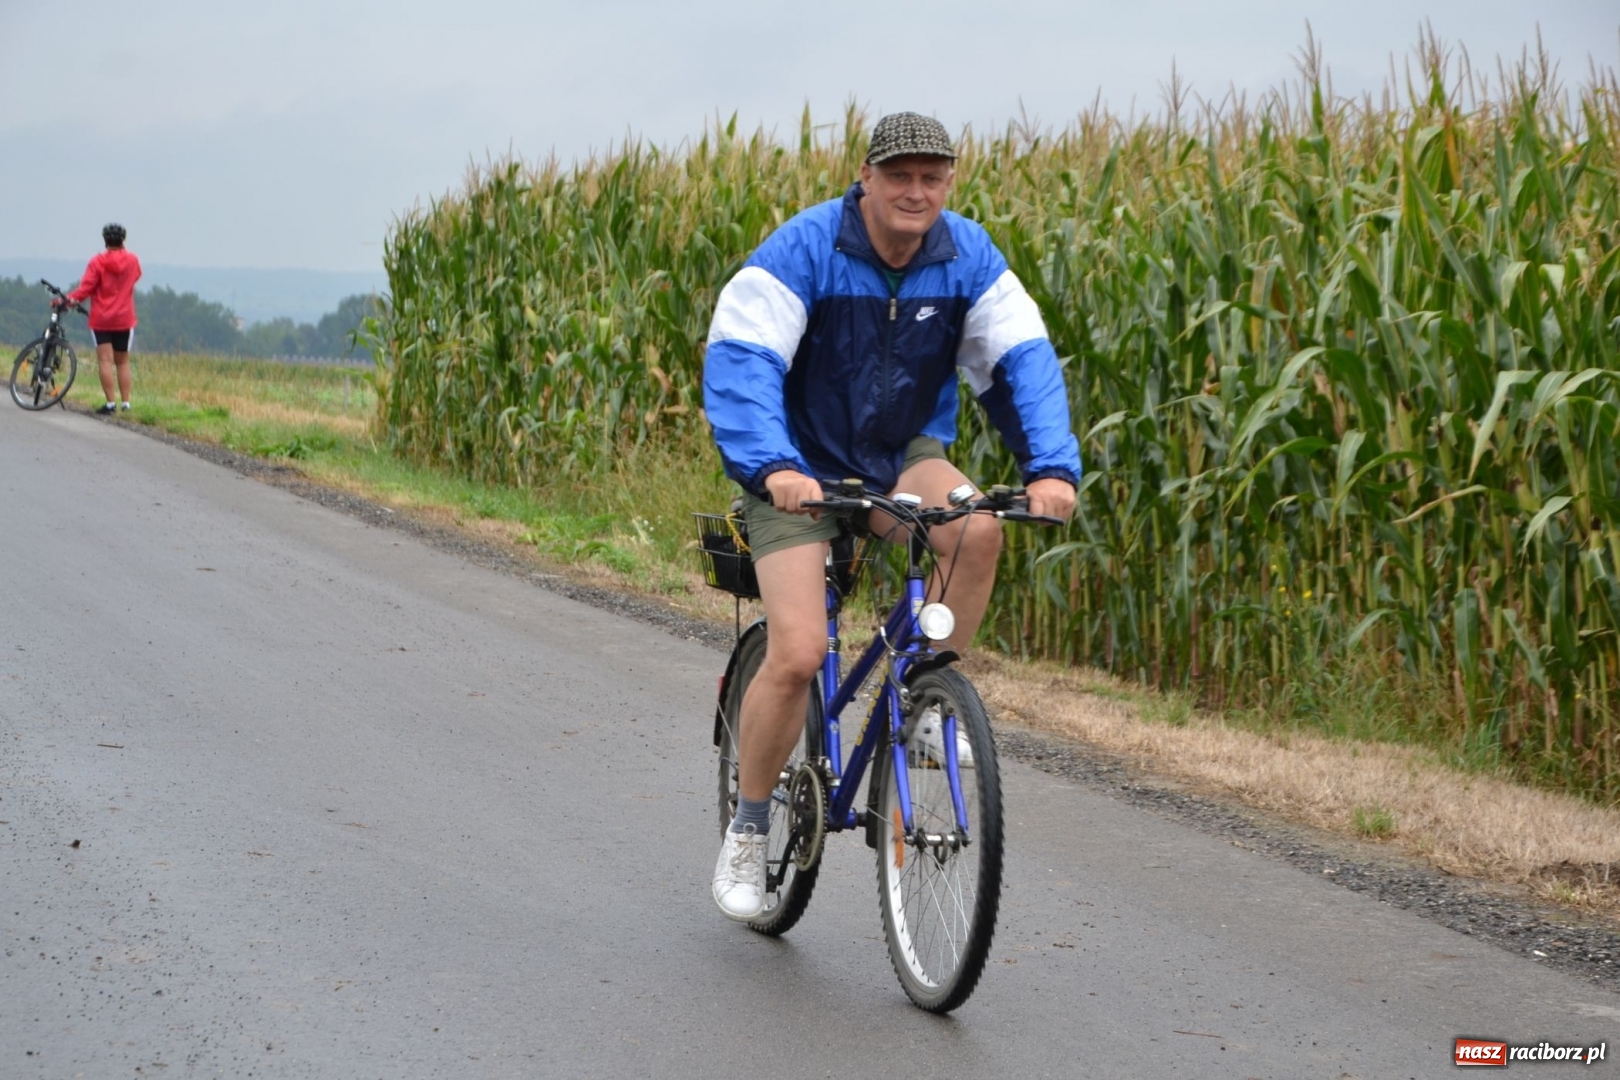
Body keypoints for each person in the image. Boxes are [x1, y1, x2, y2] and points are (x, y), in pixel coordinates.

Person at [702, 112, 1082, 920]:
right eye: (900, 175)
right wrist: (773, 467)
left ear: (949, 183)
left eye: (932, 177)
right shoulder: (806, 249)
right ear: (865, 179)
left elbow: (1022, 364)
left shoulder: (966, 256)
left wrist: (1050, 468)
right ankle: (748, 823)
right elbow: (742, 362)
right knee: (802, 650)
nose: (916, 192)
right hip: (797, 467)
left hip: (900, 454)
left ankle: (920, 702)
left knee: (976, 526)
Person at [57, 223, 142, 415]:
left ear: (105, 240)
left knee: (105, 361)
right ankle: (126, 404)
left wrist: (66, 301)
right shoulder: (133, 260)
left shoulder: (97, 262)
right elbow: (136, 276)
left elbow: (85, 289)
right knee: (123, 362)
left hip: (101, 318)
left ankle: (110, 404)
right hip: (124, 318)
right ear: (123, 240)